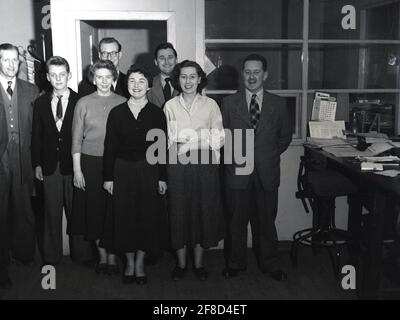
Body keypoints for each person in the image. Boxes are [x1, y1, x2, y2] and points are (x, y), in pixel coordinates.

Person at [221, 54, 292, 281]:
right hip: (237, 172)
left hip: (266, 172)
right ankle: (235, 263)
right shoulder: (229, 103)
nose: (252, 77)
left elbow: (285, 137)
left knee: (266, 222)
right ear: (242, 74)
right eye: (248, 72)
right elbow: (222, 136)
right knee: (236, 221)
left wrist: (267, 156)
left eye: (256, 72)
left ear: (265, 74)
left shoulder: (278, 103)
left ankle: (270, 264)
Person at [103, 64, 168, 285]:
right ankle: (129, 262)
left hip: (148, 170)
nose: (136, 86)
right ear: (125, 84)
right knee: (124, 218)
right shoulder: (117, 113)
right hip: (122, 170)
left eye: (141, 81)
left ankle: (140, 263)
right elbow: (109, 147)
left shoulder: (157, 113)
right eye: (132, 81)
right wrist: (108, 178)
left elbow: (161, 149)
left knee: (147, 217)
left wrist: (162, 177)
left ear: (149, 85)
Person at [164, 60, 225, 281]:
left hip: (205, 166)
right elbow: (169, 140)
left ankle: (199, 264)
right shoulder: (170, 106)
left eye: (192, 76)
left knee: (203, 212)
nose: (188, 81)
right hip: (177, 166)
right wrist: (201, 137)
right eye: (183, 76)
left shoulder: (211, 105)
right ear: (177, 80)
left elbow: (218, 139)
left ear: (200, 79)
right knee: (178, 212)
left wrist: (189, 141)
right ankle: (180, 264)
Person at [31, 56, 94, 266]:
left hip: (74, 165)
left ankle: (82, 254)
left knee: (78, 210)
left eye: (62, 74)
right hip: (50, 167)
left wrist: (83, 166)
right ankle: (51, 256)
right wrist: (37, 163)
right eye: (54, 75)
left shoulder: (81, 101)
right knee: (51, 212)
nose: (58, 78)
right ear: (48, 77)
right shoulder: (40, 103)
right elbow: (36, 136)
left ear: (69, 75)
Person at [71, 59, 126, 275]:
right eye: (99, 77)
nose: (103, 81)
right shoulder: (83, 102)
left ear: (114, 78)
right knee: (93, 211)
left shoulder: (123, 101)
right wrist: (77, 170)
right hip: (90, 163)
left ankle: (113, 257)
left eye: (108, 77)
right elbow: (75, 139)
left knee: (113, 210)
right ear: (93, 79)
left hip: (116, 164)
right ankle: (102, 258)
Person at [0, 43, 39, 289]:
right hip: (1, 157)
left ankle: (24, 254)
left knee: (24, 208)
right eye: (6, 60)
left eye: (15, 60)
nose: (12, 64)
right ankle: (2, 263)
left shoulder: (31, 90)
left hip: (24, 156)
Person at [147, 42, 179, 108]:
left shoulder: (185, 83)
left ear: (176, 60)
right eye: (162, 58)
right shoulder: (148, 85)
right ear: (156, 62)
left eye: (170, 57)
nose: (166, 62)